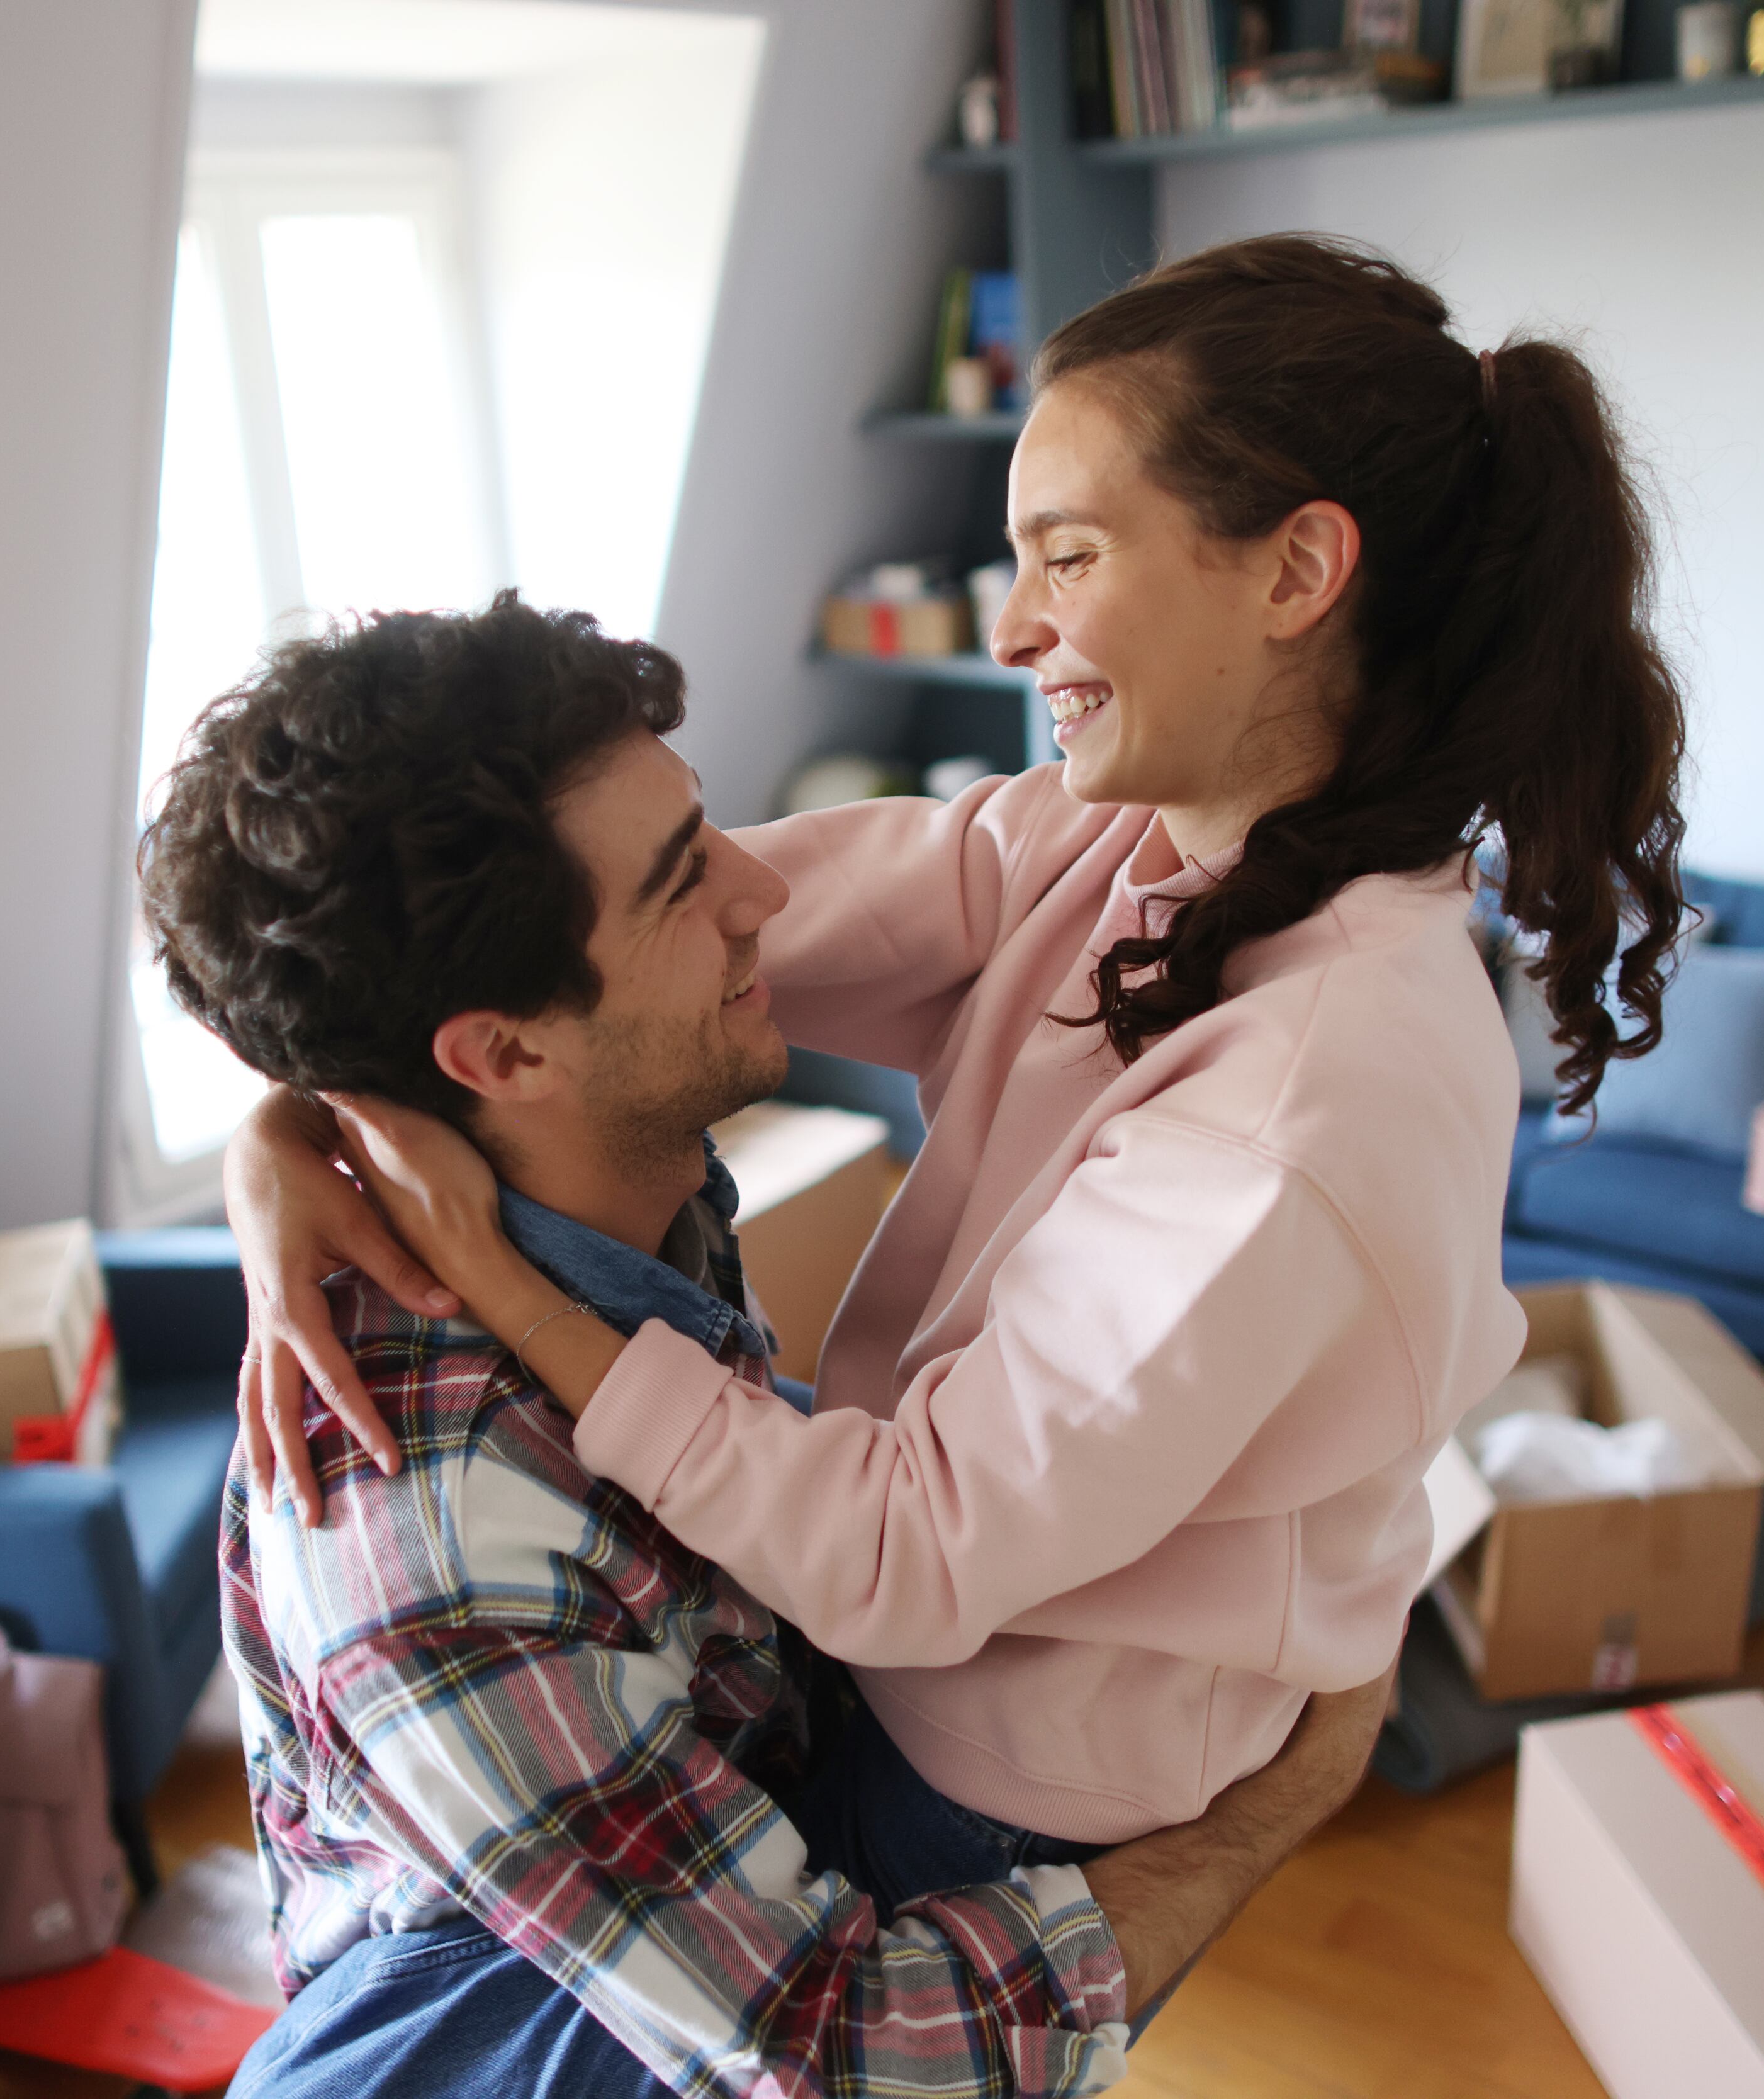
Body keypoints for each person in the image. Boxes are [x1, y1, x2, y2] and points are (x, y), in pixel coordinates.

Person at [229, 233, 1687, 1885]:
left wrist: (508, 1289)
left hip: (1018, 1769)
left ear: (1295, 575)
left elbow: (907, 1552)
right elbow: (608, 949)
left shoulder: (1306, 1093)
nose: (1010, 630)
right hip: (914, 1624)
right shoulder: (1120, 835)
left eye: (1067, 557)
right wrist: (294, 1119)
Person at [137, 594, 1385, 2099]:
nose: (761, 891)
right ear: (505, 1055)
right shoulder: (439, 1545)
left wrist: (285, 1122)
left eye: (708, 826)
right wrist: (1271, 1808)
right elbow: (849, 2059)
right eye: (680, 882)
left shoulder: (611, 1193)